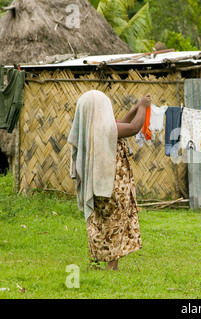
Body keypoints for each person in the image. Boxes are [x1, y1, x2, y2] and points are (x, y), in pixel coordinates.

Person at [68, 90, 151, 270]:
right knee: (115, 222)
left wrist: (136, 107)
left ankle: (95, 262)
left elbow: (120, 124)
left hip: (95, 185)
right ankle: (112, 265)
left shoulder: (91, 130)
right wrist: (143, 108)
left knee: (97, 223)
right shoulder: (105, 129)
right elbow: (133, 127)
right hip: (112, 185)